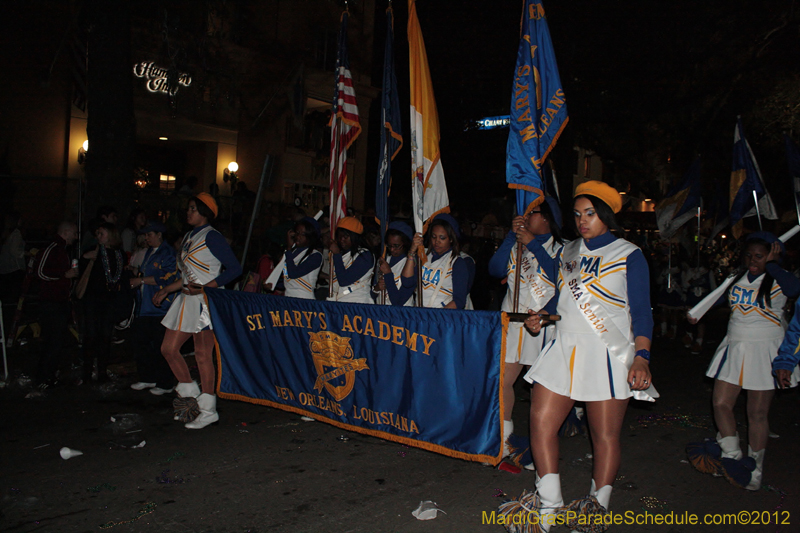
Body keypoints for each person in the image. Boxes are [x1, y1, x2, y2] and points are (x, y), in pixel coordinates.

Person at [518, 181, 655, 530]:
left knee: (604, 436)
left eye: (590, 214)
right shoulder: (569, 251)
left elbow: (641, 311)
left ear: (606, 214)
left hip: (607, 353)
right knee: (540, 422)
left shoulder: (629, 254)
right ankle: (549, 505)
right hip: (564, 346)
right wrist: (542, 316)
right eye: (578, 215)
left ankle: (596, 509)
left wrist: (642, 355)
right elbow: (560, 301)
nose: (582, 221)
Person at [691, 232, 800, 490]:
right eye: (749, 255)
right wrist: (698, 312)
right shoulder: (737, 278)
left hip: (765, 348)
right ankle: (732, 456)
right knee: (720, 403)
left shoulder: (779, 278)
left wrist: (772, 264)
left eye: (760, 256)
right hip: (735, 345)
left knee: (757, 413)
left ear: (773, 255)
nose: (753, 260)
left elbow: (796, 290)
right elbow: (716, 298)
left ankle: (756, 469)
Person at [153, 193, 242, 429]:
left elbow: (235, 268)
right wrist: (167, 290)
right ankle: (191, 392)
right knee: (168, 348)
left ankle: (208, 409)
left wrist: (207, 287)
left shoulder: (212, 237)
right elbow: (186, 274)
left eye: (193, 208)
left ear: (205, 212)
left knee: (203, 355)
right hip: (185, 299)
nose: (188, 212)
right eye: (189, 208)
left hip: (205, 302)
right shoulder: (190, 236)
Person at [487, 197, 563, 457]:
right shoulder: (516, 245)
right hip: (513, 322)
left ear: (547, 218)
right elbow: (495, 269)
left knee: (540, 390)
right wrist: (511, 237)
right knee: (502, 382)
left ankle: (540, 447)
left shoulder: (562, 249)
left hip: (543, 325)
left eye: (533, 212)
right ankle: (505, 443)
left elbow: (558, 277)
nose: (526, 216)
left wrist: (532, 244)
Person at [128, 222, 179, 394]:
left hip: (160, 308)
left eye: (150, 235)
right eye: (145, 235)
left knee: (160, 346)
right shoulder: (150, 252)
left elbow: (167, 277)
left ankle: (165, 383)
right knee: (141, 343)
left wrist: (141, 280)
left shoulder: (168, 253)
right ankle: (147, 377)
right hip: (145, 306)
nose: (146, 238)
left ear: (159, 235)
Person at [80, 223, 130, 384]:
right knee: (91, 336)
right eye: (97, 233)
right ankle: (87, 373)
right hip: (93, 300)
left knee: (105, 337)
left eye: (102, 233)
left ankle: (102, 371)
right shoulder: (94, 252)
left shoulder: (118, 254)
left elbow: (120, 275)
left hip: (109, 300)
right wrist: (86, 259)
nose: (98, 236)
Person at [32, 222, 79, 386]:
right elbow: (39, 272)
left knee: (57, 341)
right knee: (52, 341)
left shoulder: (63, 250)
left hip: (60, 302)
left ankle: (49, 375)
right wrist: (63, 274)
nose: (76, 237)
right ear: (66, 232)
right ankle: (43, 377)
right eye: (74, 233)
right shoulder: (52, 248)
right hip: (50, 303)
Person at [401, 214, 472, 309]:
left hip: (441, 317)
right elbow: (407, 282)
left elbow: (459, 300)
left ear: (451, 239)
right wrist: (412, 251)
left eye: (442, 238)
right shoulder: (423, 256)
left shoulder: (457, 263)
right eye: (434, 237)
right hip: (418, 314)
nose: (437, 241)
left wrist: (437, 317)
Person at [265, 217, 323, 299]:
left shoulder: (315, 256)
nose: (298, 237)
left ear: (311, 237)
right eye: (297, 233)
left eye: (303, 234)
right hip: (289, 298)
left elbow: (293, 273)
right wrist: (272, 284)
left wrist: (288, 249)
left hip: (303, 300)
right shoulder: (292, 253)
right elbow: (288, 279)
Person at [326, 217, 375, 303]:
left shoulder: (365, 255)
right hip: (339, 301)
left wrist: (337, 255)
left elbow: (344, 280)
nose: (342, 240)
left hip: (357, 302)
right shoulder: (342, 253)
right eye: (339, 236)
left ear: (354, 236)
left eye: (345, 236)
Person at [373, 221, 416, 306]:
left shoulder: (411, 264)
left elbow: (398, 302)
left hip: (400, 315)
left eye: (396, 246)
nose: (392, 249)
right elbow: (373, 295)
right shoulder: (384, 260)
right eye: (389, 245)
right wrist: (377, 288)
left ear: (405, 243)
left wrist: (388, 273)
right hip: (381, 312)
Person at [0, 211, 26, 304]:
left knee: (7, 292)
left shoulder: (7, 233)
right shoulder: (16, 233)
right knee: (14, 293)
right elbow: (14, 251)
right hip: (15, 267)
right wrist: (25, 254)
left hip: (6, 266)